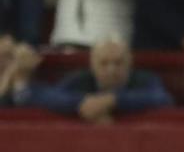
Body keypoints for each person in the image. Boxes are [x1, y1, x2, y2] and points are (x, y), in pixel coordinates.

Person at [3, 36, 170, 120]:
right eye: (104, 63)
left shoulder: (145, 79)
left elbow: (162, 99)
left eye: (118, 63)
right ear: (92, 65)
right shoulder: (80, 80)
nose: (111, 70)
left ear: (130, 63)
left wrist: (113, 100)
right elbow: (47, 96)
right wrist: (83, 103)